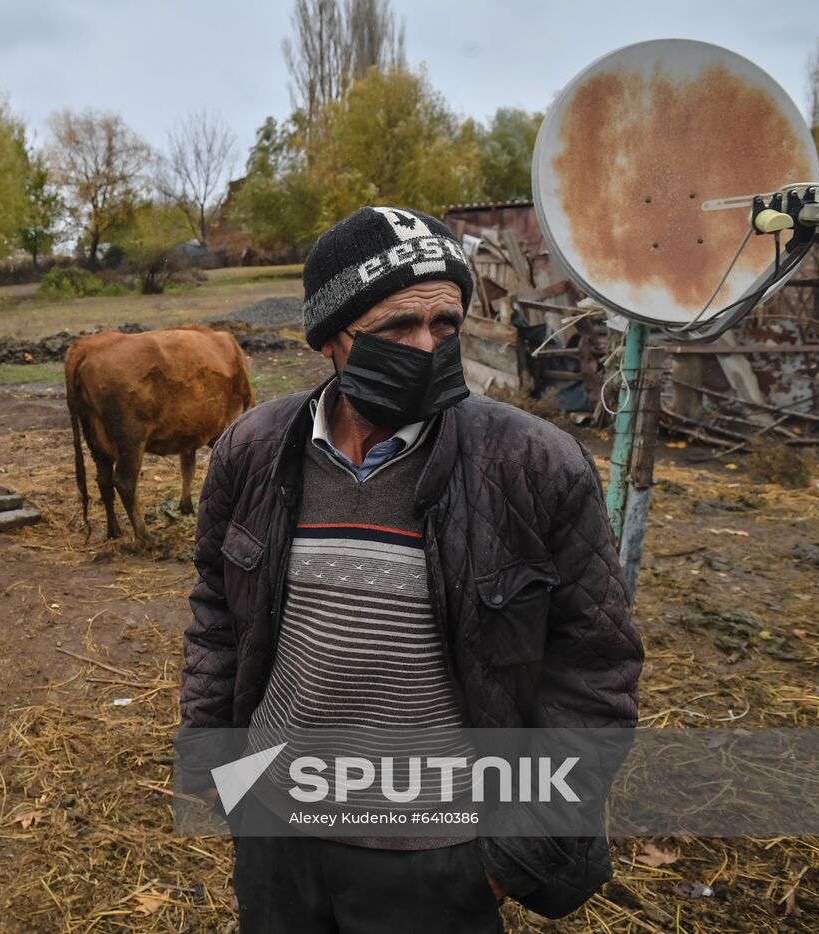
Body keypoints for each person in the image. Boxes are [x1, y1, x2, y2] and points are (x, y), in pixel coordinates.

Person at [179, 206, 643, 932]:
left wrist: (506, 857)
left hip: (440, 855)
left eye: (446, 325)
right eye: (400, 326)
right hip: (276, 833)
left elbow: (595, 670)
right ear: (333, 337)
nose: (429, 346)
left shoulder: (533, 466)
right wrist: (217, 767)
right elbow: (216, 610)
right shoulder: (253, 449)